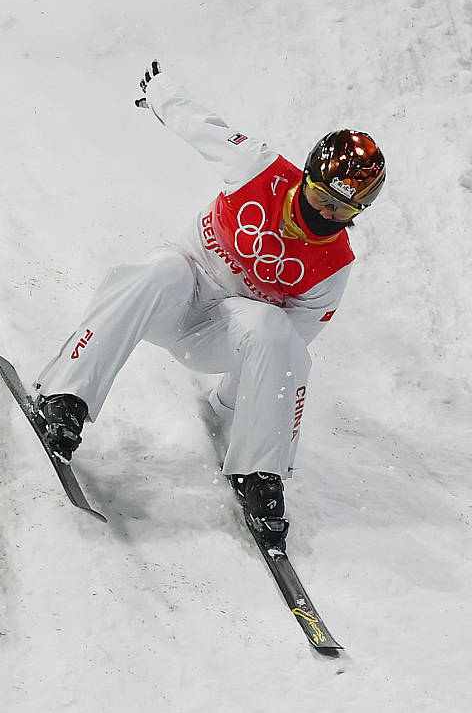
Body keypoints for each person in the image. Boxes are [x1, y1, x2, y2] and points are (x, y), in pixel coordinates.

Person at [33, 61, 385, 547]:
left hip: (220, 332)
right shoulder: (259, 169)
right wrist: (159, 91)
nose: (327, 214)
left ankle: (259, 473)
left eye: (345, 210)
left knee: (272, 327)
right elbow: (202, 126)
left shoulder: (335, 264)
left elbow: (288, 348)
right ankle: (65, 396)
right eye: (324, 196)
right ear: (306, 177)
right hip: (180, 291)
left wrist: (231, 407)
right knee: (161, 270)